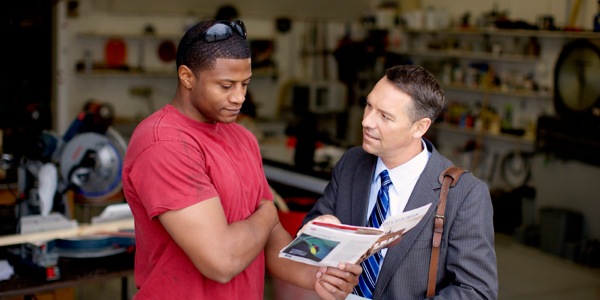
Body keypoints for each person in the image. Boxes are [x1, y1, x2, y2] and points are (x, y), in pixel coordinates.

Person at [122, 19, 361, 299]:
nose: (239, 97)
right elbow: (222, 261)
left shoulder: (242, 139)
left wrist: (319, 276)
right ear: (187, 77)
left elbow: (270, 242)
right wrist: (269, 214)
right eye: (226, 86)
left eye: (245, 84)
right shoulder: (163, 143)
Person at [301, 65, 498, 299]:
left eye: (385, 116)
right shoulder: (352, 163)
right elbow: (308, 245)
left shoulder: (464, 193)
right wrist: (321, 232)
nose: (367, 121)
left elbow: (476, 292)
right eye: (369, 106)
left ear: (420, 127)